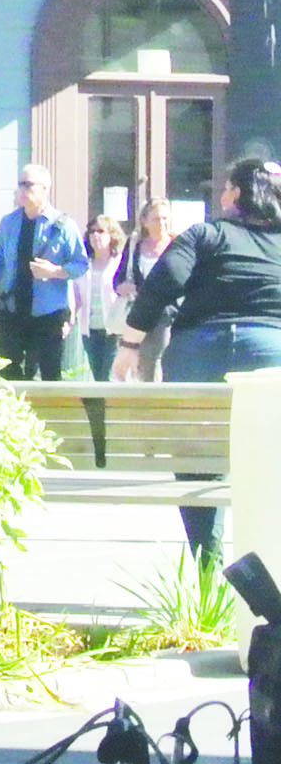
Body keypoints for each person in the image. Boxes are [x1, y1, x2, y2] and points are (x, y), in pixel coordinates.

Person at [114, 157, 281, 557]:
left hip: (197, 350)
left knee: (196, 456)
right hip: (269, 352)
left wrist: (129, 346)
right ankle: (265, 564)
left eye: (225, 188)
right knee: (268, 456)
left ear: (237, 194)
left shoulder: (205, 234)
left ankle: (208, 564)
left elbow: (164, 282)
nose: (221, 196)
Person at [0, 165, 84, 380]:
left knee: (48, 376)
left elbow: (81, 264)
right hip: (12, 309)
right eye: (20, 184)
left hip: (47, 313)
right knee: (5, 371)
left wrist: (56, 271)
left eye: (28, 185)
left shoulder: (64, 226)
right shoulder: (8, 223)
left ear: (45, 189)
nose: (22, 190)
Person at [115, 195, 176, 379]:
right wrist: (122, 287)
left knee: (156, 357)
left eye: (165, 218)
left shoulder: (178, 244)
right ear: (144, 221)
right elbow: (119, 277)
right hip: (139, 310)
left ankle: (156, 392)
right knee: (142, 362)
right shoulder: (134, 244)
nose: (162, 223)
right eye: (156, 219)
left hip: (167, 313)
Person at [71, 213, 126, 381]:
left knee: (109, 377)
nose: (95, 235)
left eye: (101, 231)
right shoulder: (83, 265)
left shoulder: (120, 262)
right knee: (98, 377)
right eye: (92, 231)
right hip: (90, 330)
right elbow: (75, 295)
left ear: (112, 235)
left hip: (115, 330)